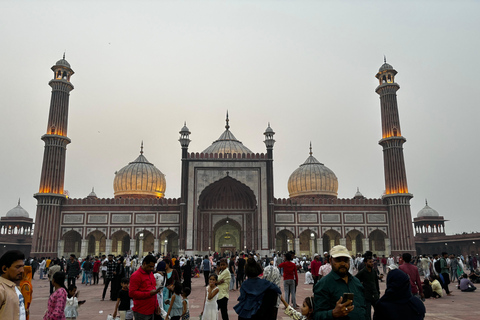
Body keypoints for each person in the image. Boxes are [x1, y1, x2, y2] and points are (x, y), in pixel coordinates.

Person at [313, 245, 366, 320]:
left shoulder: (356, 282)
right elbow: (317, 315)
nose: (342, 263)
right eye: (338, 260)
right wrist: (333, 313)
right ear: (330, 260)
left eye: (345, 260)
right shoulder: (323, 284)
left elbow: (363, 307)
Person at [130, 255, 161, 320]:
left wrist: (157, 305)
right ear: (144, 264)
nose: (152, 269)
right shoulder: (136, 275)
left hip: (152, 310)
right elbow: (132, 293)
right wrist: (149, 293)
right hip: (141, 311)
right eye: (150, 266)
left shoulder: (151, 274)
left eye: (153, 267)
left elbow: (153, 290)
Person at [0, 250, 25, 319]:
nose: (22, 270)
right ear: (4, 269)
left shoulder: (15, 287)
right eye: (18, 267)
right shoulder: (1, 289)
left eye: (22, 266)